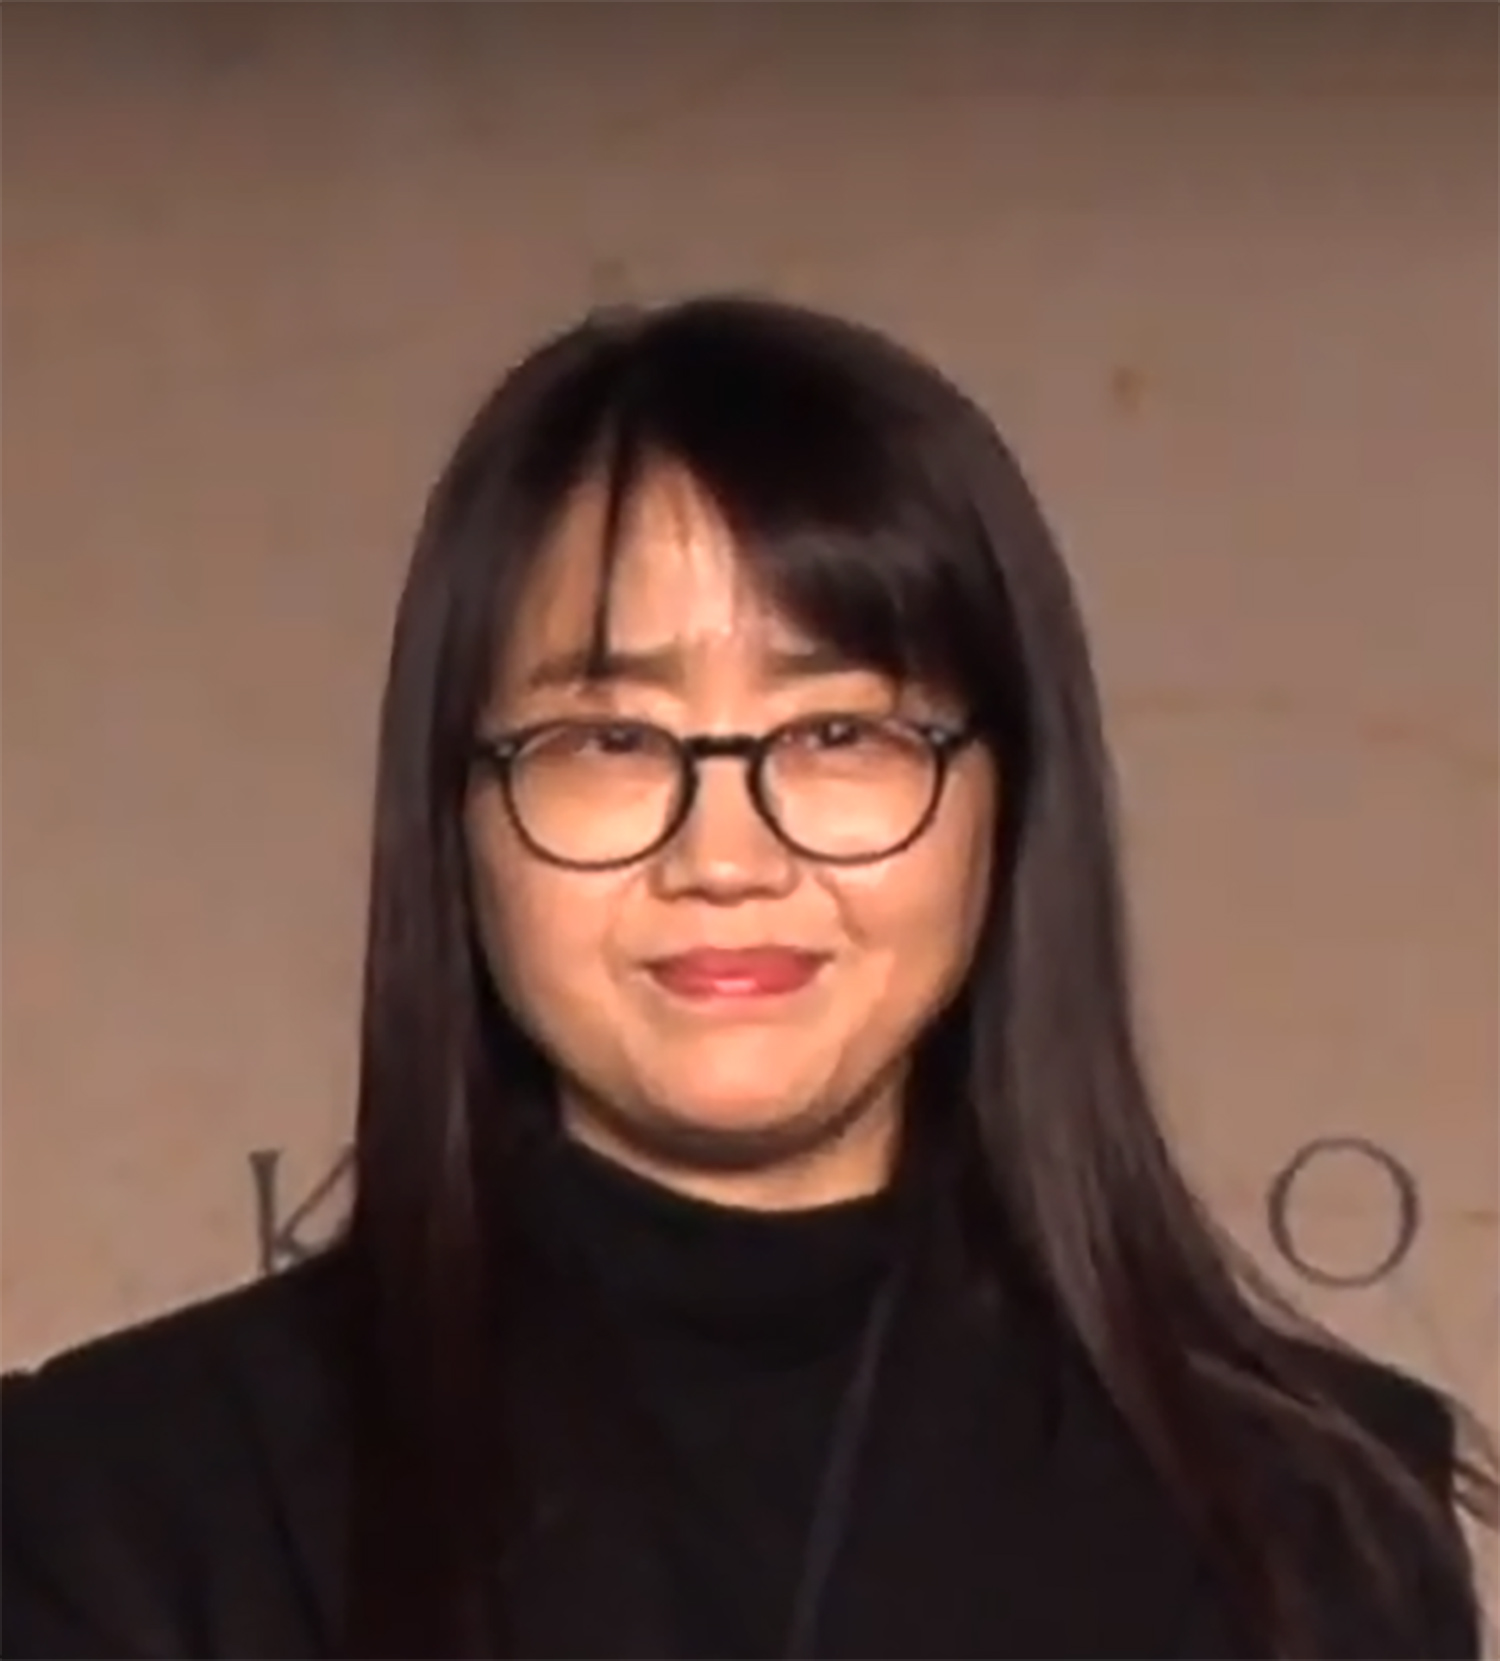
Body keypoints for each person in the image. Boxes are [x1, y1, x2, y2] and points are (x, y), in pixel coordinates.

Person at [1, 295, 1493, 1661]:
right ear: (457, 816)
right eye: (609, 741)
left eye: (840, 734)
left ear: (1011, 800)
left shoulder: (1318, 1527)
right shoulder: (127, 1500)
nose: (724, 854)